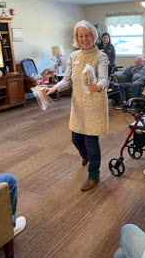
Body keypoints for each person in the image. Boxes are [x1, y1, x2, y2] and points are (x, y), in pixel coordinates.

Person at [44, 20, 110, 191]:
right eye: (80, 36)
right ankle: (86, 156)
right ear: (77, 38)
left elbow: (104, 78)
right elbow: (66, 80)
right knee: (76, 139)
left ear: (93, 36)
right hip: (78, 106)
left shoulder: (101, 56)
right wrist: (54, 88)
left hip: (94, 104)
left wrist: (99, 86)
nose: (84, 39)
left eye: (87, 35)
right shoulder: (73, 57)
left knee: (91, 141)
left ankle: (94, 175)